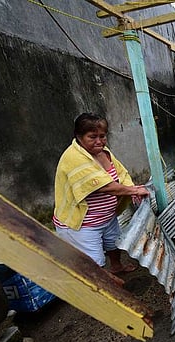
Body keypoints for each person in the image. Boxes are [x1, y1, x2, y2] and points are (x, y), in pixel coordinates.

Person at [53, 112, 150, 280]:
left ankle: (117, 267)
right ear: (79, 136)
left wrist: (132, 188)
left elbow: (122, 174)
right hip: (83, 224)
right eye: (92, 137)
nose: (99, 141)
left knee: (113, 243)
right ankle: (106, 290)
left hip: (106, 217)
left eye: (102, 136)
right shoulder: (74, 157)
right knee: (95, 262)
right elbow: (103, 186)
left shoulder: (103, 152)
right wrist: (134, 191)